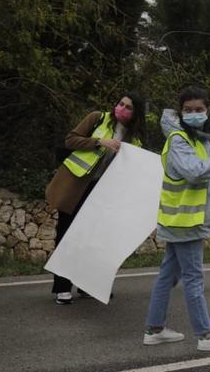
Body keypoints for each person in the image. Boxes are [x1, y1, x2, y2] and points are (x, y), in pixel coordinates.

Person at [142, 86, 210, 351]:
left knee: (168, 275)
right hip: (185, 222)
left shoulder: (200, 138)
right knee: (194, 277)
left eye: (199, 109)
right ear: (180, 112)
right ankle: (206, 335)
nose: (194, 114)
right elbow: (194, 172)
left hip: (182, 219)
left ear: (207, 110)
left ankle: (154, 330)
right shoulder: (179, 139)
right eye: (188, 110)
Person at [45, 93, 148, 304]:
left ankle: (86, 285)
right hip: (76, 187)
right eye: (121, 104)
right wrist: (100, 142)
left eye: (128, 107)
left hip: (103, 194)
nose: (122, 108)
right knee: (66, 236)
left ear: (135, 114)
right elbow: (70, 139)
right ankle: (62, 287)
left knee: (92, 240)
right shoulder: (97, 118)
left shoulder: (134, 140)